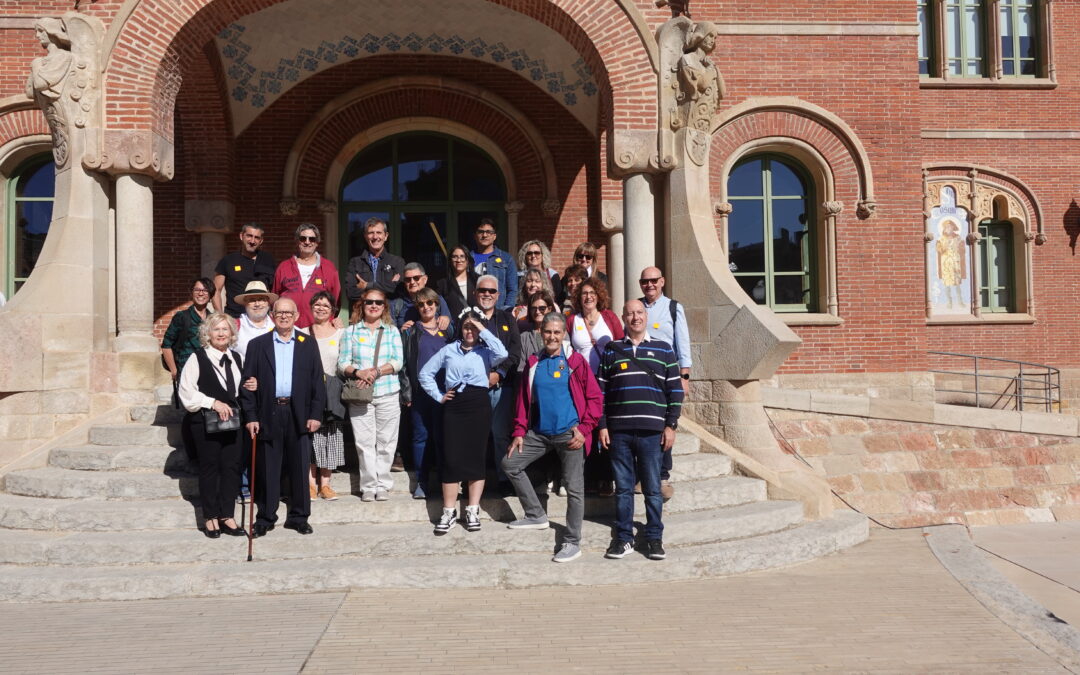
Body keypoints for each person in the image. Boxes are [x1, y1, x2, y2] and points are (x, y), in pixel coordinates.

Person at [505, 312, 602, 563]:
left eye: (557, 332)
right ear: (541, 333)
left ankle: (572, 542)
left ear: (563, 335)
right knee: (510, 464)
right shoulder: (534, 362)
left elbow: (595, 399)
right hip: (539, 434)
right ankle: (536, 514)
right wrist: (518, 432)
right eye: (548, 331)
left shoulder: (576, 362)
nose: (552, 336)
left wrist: (585, 429)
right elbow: (523, 401)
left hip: (570, 434)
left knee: (574, 488)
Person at [598, 300, 683, 561]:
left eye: (639, 313)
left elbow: (675, 391)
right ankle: (624, 539)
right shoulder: (612, 351)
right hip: (620, 432)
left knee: (652, 489)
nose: (635, 317)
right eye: (630, 313)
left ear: (646, 316)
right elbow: (600, 393)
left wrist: (670, 425)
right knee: (623, 488)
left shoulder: (663, 349)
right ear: (623, 318)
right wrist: (602, 425)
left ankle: (654, 538)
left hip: (651, 432)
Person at [239, 297, 325, 537]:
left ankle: (299, 517)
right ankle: (266, 517)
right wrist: (251, 416)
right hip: (269, 411)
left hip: (299, 413)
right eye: (279, 313)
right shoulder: (258, 345)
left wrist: (316, 414)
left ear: (297, 316)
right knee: (269, 468)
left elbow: (317, 381)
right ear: (272, 315)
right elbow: (247, 385)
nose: (284, 316)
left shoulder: (307, 343)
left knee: (299, 467)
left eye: (289, 313)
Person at [419, 311, 508, 535]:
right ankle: (449, 511)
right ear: (460, 329)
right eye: (467, 327)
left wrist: (481, 326)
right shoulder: (449, 350)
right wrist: (438, 395)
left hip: (478, 405)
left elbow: (503, 353)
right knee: (451, 456)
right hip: (454, 405)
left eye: (474, 327)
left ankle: (472, 509)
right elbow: (425, 374)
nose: (470, 331)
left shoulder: (486, 352)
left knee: (476, 456)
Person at [177, 313, 255, 538]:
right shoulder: (197, 358)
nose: (221, 333)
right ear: (207, 334)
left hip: (233, 424)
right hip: (205, 424)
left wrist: (252, 384)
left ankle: (227, 516)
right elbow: (187, 394)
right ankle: (210, 517)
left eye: (225, 329)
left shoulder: (238, 359)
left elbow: (242, 391)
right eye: (216, 329)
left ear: (231, 333)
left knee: (231, 469)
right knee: (210, 469)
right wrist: (212, 403)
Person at [337, 288, 403, 502]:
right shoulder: (351, 332)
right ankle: (368, 485)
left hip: (388, 391)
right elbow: (342, 364)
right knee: (364, 443)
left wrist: (375, 372)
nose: (373, 306)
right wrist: (358, 372)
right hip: (360, 394)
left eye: (378, 302)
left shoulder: (392, 331)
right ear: (361, 305)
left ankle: (382, 484)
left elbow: (398, 361)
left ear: (384, 307)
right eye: (369, 302)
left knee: (386, 442)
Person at [639, 266, 692, 501]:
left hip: (666, 376)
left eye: (653, 280)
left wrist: (685, 376)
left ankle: (662, 477)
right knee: (642, 425)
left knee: (665, 426)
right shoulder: (637, 307)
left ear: (662, 281)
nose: (649, 285)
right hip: (639, 376)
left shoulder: (673, 308)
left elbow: (682, 342)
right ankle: (642, 475)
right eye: (644, 281)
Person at [567, 277, 623, 496]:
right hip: (582, 383)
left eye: (592, 293)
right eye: (584, 293)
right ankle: (589, 477)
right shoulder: (573, 320)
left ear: (599, 296)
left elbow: (620, 344)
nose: (588, 297)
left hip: (608, 381)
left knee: (606, 428)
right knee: (587, 428)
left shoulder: (608, 317)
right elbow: (570, 350)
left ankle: (607, 478)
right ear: (578, 298)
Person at [401, 287, 456, 499]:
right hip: (420, 393)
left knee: (444, 437)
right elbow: (405, 364)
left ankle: (446, 480)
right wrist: (407, 393)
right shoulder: (410, 331)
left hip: (445, 393)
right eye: (421, 304)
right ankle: (421, 482)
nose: (426, 307)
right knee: (420, 437)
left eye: (430, 303)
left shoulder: (449, 330)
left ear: (436, 305)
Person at [473, 274, 521, 491]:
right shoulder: (468, 318)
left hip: (502, 387)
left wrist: (499, 374)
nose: (487, 294)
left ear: (498, 295)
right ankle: (473, 480)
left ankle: (503, 479)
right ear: (475, 293)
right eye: (483, 290)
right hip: (475, 388)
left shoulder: (507, 319)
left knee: (501, 435)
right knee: (476, 435)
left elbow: (515, 352)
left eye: (491, 291)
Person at [305, 291, 345, 501]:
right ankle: (310, 484)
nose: (320, 308)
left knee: (331, 437)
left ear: (333, 310)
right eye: (317, 305)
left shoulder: (341, 333)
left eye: (325, 306)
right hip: (309, 392)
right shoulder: (302, 332)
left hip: (332, 392)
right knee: (311, 437)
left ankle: (326, 485)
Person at [272, 223, 341, 329]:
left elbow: (335, 300)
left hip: (317, 329)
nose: (307, 242)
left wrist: (329, 321)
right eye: (303, 238)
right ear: (297, 241)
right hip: (288, 329)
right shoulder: (284, 267)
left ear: (317, 243)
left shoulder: (328, 268)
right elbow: (275, 298)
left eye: (312, 239)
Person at [212, 223, 276, 318]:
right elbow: (215, 289)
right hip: (234, 317)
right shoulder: (228, 261)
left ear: (261, 241)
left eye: (257, 238)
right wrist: (220, 316)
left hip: (262, 318)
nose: (252, 241)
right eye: (249, 236)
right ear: (241, 236)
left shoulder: (268, 260)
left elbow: (273, 289)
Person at [161, 277, 213, 383]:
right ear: (191, 293)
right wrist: (174, 370)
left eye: (205, 290)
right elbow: (166, 345)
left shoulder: (213, 319)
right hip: (186, 370)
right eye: (197, 290)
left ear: (210, 294)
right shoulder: (182, 317)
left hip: (209, 370)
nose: (201, 293)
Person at [346, 217, 404, 306]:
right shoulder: (355, 263)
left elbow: (397, 290)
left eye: (379, 233)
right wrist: (386, 287)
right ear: (365, 236)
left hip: (390, 315)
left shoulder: (397, 262)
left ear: (386, 236)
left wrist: (367, 286)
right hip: (363, 315)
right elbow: (351, 293)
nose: (375, 237)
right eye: (371, 233)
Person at [471, 218, 517, 311]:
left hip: (498, 311)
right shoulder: (468, 258)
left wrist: (507, 310)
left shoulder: (506, 259)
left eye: (489, 232)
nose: (484, 235)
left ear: (494, 236)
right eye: (481, 232)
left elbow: (513, 289)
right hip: (472, 311)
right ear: (475, 235)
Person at [392, 262, 452, 329]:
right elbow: (389, 333)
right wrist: (401, 332)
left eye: (416, 278)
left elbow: (451, 330)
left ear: (425, 279)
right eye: (408, 279)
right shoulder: (396, 305)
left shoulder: (437, 299)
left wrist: (447, 319)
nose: (412, 282)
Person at [232, 280, 277, 359]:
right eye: (252, 300)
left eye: (261, 299)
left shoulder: (277, 324)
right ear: (245, 303)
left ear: (268, 303)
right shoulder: (234, 326)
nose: (257, 304)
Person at [436, 243, 477, 320]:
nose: (458, 260)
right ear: (450, 260)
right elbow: (438, 308)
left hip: (476, 325)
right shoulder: (442, 284)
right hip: (454, 327)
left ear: (468, 260)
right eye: (455, 257)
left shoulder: (477, 280)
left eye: (462, 256)